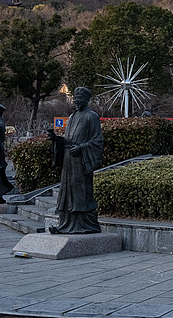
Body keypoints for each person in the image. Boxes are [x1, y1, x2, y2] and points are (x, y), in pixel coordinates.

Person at [47, 86, 104, 234]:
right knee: (66, 191)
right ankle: (65, 223)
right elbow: (67, 140)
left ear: (86, 99)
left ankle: (82, 225)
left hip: (81, 160)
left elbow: (97, 140)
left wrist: (82, 147)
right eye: (75, 98)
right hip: (68, 159)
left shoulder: (92, 116)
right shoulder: (72, 117)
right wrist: (56, 140)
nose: (77, 101)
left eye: (80, 98)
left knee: (80, 191)